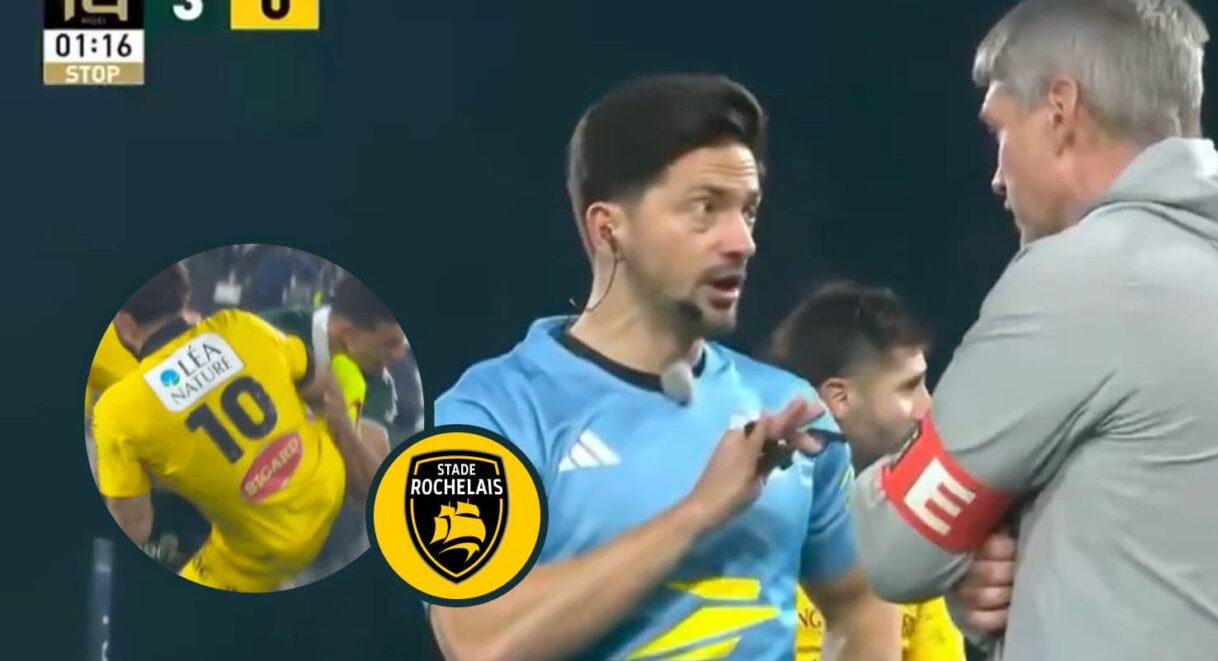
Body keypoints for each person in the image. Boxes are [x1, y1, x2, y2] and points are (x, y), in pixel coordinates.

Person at [849, 0, 1218, 661]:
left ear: (1060, 109)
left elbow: (895, 548)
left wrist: (957, 538)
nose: (997, 175)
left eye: (999, 131)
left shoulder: (1087, 279)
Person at [429, 74, 902, 660]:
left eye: (747, 211)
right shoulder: (487, 413)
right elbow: (477, 640)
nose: (743, 241)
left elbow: (861, 602)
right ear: (609, 230)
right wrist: (698, 512)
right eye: (706, 209)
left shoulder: (791, 409)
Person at [91, 262, 364, 592]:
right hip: (330, 484)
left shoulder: (115, 409)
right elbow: (319, 383)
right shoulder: (241, 324)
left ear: (124, 322)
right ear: (183, 294)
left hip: (268, 549)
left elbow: (135, 528)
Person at [768, 281, 965, 661]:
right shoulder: (750, 518)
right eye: (909, 388)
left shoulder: (911, 529)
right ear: (839, 397)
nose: (930, 408)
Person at [266, 272, 410, 585]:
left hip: (323, 553)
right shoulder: (270, 332)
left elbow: (373, 491)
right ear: (347, 334)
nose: (399, 356)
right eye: (390, 343)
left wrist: (344, 427)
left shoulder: (375, 382)